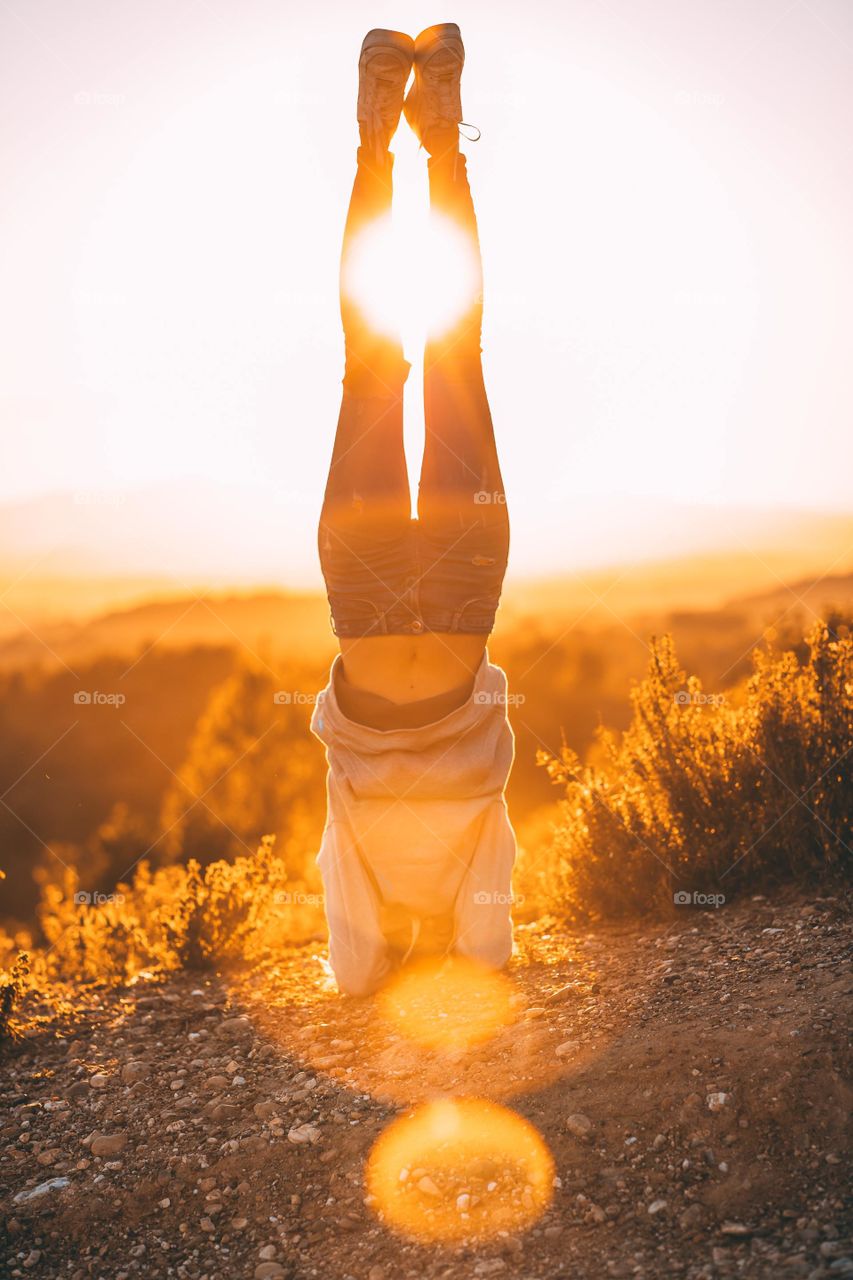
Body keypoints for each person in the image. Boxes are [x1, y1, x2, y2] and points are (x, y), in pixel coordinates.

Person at [310, 23, 517, 996]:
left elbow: (384, 974)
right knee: (403, 358)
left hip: (452, 595)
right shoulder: (378, 913)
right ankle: (405, 136)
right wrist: (418, 958)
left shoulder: (407, 915)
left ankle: (410, 137)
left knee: (443, 353)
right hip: (370, 596)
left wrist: (410, 962)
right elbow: (371, 970)